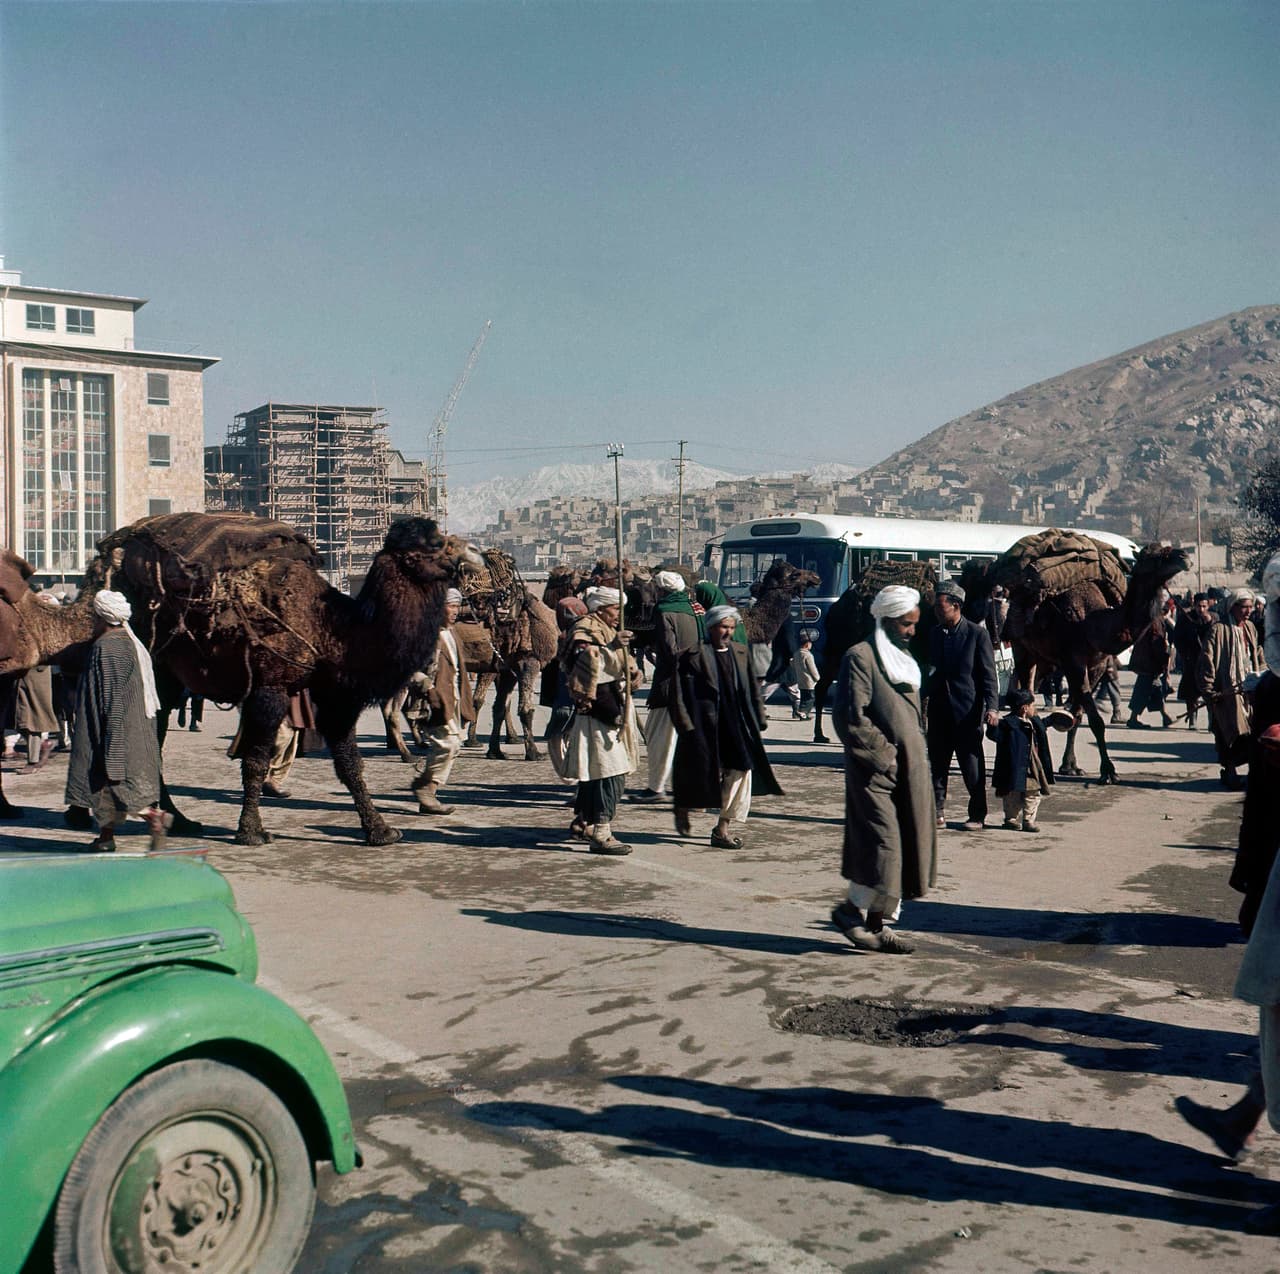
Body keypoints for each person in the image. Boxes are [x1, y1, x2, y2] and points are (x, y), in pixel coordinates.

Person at [829, 584, 937, 954]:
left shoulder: (903, 660)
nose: (912, 631)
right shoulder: (860, 657)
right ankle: (849, 912)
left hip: (907, 773)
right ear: (887, 621)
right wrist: (885, 756)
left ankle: (876, 926)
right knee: (884, 846)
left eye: (914, 624)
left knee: (902, 847)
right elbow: (849, 718)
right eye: (906, 624)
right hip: (876, 774)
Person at [671, 603, 781, 849]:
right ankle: (684, 806)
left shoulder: (741, 653)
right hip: (702, 725)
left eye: (731, 627)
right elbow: (677, 695)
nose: (727, 632)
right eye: (723, 626)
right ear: (711, 627)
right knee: (699, 774)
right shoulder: (691, 656)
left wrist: (759, 717)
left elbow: (753, 690)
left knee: (741, 772)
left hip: (735, 723)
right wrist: (685, 726)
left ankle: (722, 827)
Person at [64, 590, 167, 852]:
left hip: (112, 732)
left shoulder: (108, 647)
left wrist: (113, 746)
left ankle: (153, 818)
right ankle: (106, 838)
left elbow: (112, 699)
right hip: (119, 730)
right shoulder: (127, 642)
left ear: (101, 617)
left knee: (115, 785)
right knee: (105, 791)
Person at [560, 586, 642, 855]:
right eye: (616, 609)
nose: (620, 614)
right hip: (597, 709)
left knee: (599, 772)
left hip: (615, 706)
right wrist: (612, 647)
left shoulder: (606, 629)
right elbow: (583, 661)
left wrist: (631, 669)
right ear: (601, 608)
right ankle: (601, 832)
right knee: (610, 773)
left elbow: (622, 663)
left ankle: (583, 821)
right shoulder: (584, 629)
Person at [925, 580, 999, 831]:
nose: (936, 611)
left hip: (967, 712)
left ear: (956, 606)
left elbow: (989, 675)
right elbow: (931, 673)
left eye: (940, 606)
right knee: (937, 765)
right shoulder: (934, 634)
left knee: (972, 767)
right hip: (938, 711)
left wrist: (992, 707)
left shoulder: (977, 634)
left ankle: (977, 814)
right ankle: (936, 812)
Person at [633, 571, 702, 802]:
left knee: (658, 737)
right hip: (699, 681)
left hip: (671, 683)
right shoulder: (697, 608)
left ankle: (656, 788)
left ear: (661, 591)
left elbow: (670, 652)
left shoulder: (663, 612)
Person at [410, 587, 476, 815]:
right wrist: (426, 686)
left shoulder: (451, 633)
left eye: (458, 606)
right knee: (448, 744)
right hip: (435, 701)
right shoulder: (424, 635)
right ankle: (425, 787)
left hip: (453, 700)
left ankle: (428, 793)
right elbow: (406, 667)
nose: (456, 611)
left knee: (454, 745)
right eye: (452, 606)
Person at [1198, 588, 1265, 789]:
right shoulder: (1218, 630)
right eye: (1244, 607)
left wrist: (1263, 676)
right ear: (1233, 607)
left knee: (1254, 734)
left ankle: (1253, 773)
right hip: (1226, 692)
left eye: (1250, 607)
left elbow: (1257, 654)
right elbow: (1206, 660)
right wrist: (1209, 691)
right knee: (1227, 733)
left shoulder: (1250, 628)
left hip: (1249, 691)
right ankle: (1229, 771)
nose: (1248, 611)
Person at [992, 689, 1054, 833]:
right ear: (1025, 708)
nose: (1035, 709)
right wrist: (992, 723)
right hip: (1013, 767)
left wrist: (1054, 719)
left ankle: (1028, 820)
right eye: (1033, 705)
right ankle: (1010, 819)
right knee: (1011, 794)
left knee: (1032, 794)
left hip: (1031, 767)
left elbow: (1043, 725)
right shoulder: (1007, 724)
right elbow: (994, 734)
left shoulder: (1034, 722)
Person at [1172, 593, 1218, 730]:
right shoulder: (1185, 618)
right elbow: (1177, 638)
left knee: (1211, 693)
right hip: (1192, 660)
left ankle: (1212, 721)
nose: (1201, 609)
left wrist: (1209, 622)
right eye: (1199, 606)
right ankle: (1192, 719)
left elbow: (1217, 636)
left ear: (1208, 605)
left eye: (1204, 606)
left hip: (1210, 662)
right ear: (1194, 605)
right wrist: (1184, 655)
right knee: (1191, 694)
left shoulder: (1214, 618)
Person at [1126, 608, 1175, 729]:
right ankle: (1133, 718)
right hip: (1149, 663)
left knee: (1155, 689)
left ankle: (1165, 716)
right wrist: (1163, 662)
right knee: (1143, 690)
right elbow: (1156, 644)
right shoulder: (1156, 622)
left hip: (1147, 662)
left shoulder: (1153, 620)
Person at [793, 632, 819, 720]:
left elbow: (792, 664)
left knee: (804, 698)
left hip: (800, 680)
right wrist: (817, 677)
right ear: (807, 644)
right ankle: (803, 713)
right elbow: (812, 668)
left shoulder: (796, 654)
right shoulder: (808, 655)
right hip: (809, 681)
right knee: (810, 699)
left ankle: (801, 713)